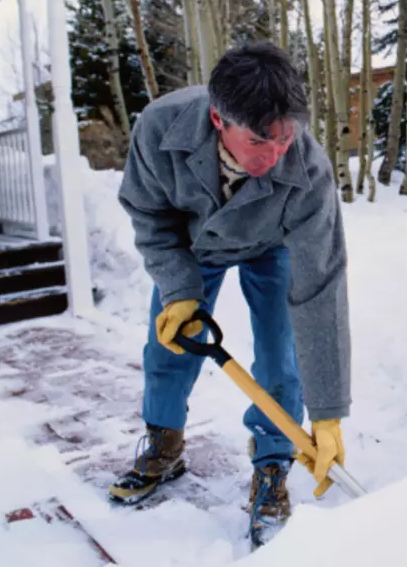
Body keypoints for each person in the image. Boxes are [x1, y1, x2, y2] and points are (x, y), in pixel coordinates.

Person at [110, 41, 352, 547]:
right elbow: (150, 216)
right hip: (193, 248)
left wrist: (327, 413)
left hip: (273, 244)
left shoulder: (307, 169)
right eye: (262, 140)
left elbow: (320, 288)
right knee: (168, 348)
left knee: (279, 356)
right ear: (219, 119)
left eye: (287, 137)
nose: (277, 153)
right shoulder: (159, 128)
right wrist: (179, 289)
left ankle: (272, 464)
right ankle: (164, 444)